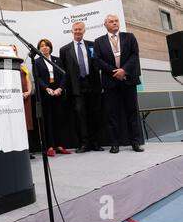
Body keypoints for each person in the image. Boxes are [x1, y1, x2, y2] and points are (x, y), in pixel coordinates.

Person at [94, 14, 144, 154]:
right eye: (111, 21)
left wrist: (124, 70)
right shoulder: (98, 41)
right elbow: (97, 60)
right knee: (112, 114)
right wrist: (114, 72)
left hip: (128, 80)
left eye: (116, 21)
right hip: (110, 82)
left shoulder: (130, 37)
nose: (115, 23)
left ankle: (135, 142)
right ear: (106, 24)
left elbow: (135, 55)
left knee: (132, 112)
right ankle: (114, 144)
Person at [59, 22, 104, 153]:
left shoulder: (92, 46)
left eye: (80, 29)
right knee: (80, 116)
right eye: (75, 29)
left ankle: (95, 143)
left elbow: (96, 63)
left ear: (84, 31)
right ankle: (84, 144)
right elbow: (64, 71)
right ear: (72, 31)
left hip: (92, 85)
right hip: (76, 87)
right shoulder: (64, 50)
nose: (78, 31)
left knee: (94, 114)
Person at [34, 39, 71, 157]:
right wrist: (46, 89)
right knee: (48, 120)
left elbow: (64, 75)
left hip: (58, 93)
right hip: (46, 94)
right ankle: (49, 146)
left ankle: (59, 145)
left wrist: (60, 88)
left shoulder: (57, 60)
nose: (44, 48)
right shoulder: (37, 62)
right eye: (42, 46)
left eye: (46, 46)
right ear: (39, 49)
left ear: (50, 47)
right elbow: (38, 77)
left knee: (59, 119)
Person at [11, 44, 35, 160]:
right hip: (15, 98)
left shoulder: (23, 66)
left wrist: (29, 91)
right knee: (17, 124)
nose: (13, 51)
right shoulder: (6, 65)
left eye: (15, 50)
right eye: (11, 50)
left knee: (27, 124)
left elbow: (28, 80)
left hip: (26, 97)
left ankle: (28, 150)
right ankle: (20, 151)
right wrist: (17, 94)